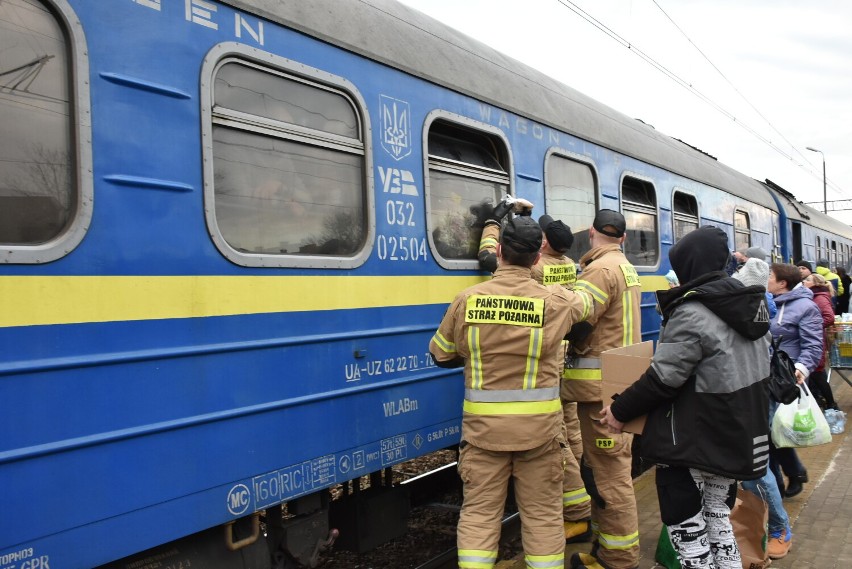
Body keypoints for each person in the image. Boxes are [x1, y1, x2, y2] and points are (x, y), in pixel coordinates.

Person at [600, 226, 771, 569]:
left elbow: (664, 378)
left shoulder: (692, 311)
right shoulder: (747, 304)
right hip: (736, 430)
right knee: (719, 520)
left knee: (687, 530)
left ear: (690, 266)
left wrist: (619, 410)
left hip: (694, 438)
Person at [429, 216, 595, 569]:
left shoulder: (467, 301)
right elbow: (587, 306)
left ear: (500, 251)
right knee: (544, 516)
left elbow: (440, 353)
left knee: (478, 515)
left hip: (483, 435)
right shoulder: (556, 302)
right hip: (540, 436)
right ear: (537, 258)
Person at [562, 209, 641, 569]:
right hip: (621, 379)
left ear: (591, 232)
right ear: (623, 237)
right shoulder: (625, 266)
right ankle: (608, 549)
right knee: (609, 470)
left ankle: (618, 558)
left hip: (600, 390)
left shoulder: (599, 269)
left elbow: (578, 320)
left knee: (609, 475)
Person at [536, 214, 592, 543]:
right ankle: (585, 490)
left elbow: (496, 264)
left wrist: (492, 229)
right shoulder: (569, 265)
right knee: (572, 431)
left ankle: (576, 508)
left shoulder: (538, 268)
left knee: (557, 437)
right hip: (567, 350)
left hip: (550, 356)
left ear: (543, 243)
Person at [733, 258, 793, 560]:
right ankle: (760, 525)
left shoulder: (755, 309)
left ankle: (781, 529)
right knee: (751, 469)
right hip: (746, 397)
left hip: (755, 396)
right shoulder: (758, 306)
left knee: (756, 468)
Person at [767, 263, 823, 504]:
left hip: (788, 377)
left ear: (782, 283)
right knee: (773, 430)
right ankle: (794, 472)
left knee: (773, 429)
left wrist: (801, 368)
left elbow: (813, 345)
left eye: (769, 276)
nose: (765, 279)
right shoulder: (767, 303)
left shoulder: (806, 307)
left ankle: (779, 486)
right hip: (766, 375)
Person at [803, 273, 840, 411]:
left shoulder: (819, 298)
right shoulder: (816, 296)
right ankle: (827, 403)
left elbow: (829, 317)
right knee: (817, 374)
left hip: (816, 338)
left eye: (807, 280)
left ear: (816, 284)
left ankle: (831, 404)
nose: (804, 281)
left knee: (817, 373)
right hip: (816, 338)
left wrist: (812, 327)